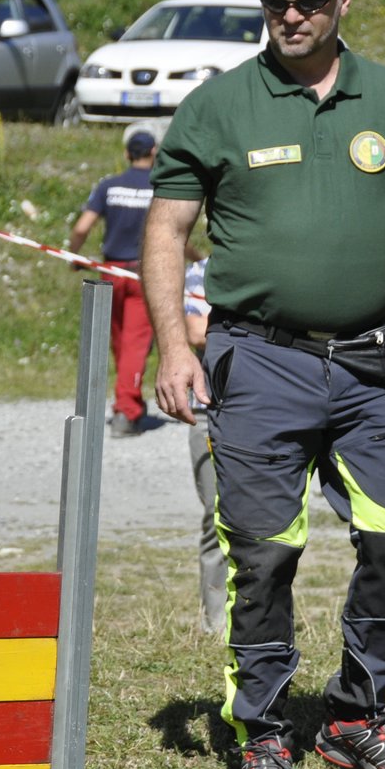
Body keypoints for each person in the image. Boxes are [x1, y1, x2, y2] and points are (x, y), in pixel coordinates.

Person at [141, 0, 385, 769]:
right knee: (263, 556)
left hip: (376, 366)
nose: (291, 16)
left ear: (345, 0)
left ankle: (355, 714)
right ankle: (263, 731)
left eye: (308, 2)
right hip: (258, 361)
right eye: (276, 3)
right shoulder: (219, 105)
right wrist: (170, 347)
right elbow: (167, 224)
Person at [67, 130, 158, 438]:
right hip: (143, 275)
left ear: (126, 154)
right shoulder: (159, 188)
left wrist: (74, 255)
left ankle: (128, 400)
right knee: (135, 345)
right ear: (154, 152)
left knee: (120, 343)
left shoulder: (109, 185)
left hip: (111, 272)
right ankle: (126, 412)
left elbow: (82, 227)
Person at [183, 255, 228, 636]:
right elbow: (196, 331)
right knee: (217, 515)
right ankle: (216, 623)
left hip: (266, 409)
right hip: (209, 412)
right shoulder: (201, 271)